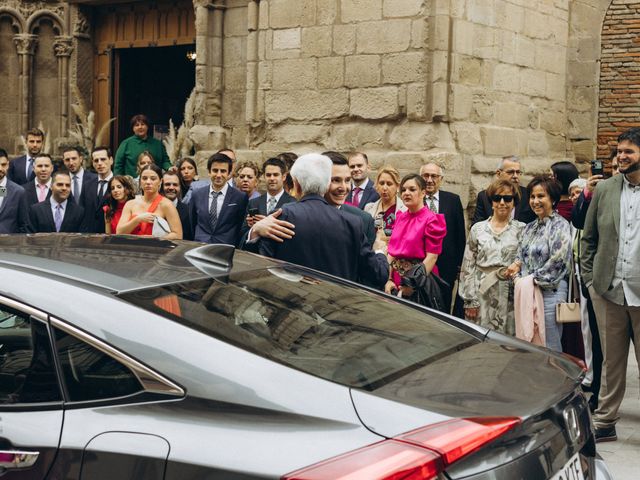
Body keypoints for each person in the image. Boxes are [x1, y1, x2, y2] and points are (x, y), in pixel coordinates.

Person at [246, 153, 388, 288]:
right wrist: (380, 251)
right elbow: (260, 264)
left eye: (347, 180)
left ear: (296, 184)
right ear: (325, 182)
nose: (343, 188)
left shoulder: (283, 215)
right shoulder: (280, 217)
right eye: (335, 180)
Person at [581, 127, 640, 442]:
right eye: (620, 150)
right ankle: (604, 421)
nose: (621, 156)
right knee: (611, 361)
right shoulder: (605, 190)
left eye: (629, 151)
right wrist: (592, 282)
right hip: (608, 291)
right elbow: (588, 239)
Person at [507, 175, 573, 352]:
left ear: (553, 198)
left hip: (550, 294)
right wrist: (516, 273)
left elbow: (558, 262)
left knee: (549, 346)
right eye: (532, 196)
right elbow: (520, 256)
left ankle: (554, 379)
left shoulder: (561, 226)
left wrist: (527, 281)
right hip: (528, 293)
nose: (535, 201)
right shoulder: (529, 227)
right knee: (530, 346)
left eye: (541, 196)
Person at [459, 179, 525, 334]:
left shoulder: (521, 229)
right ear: (491, 202)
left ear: (514, 202)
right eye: (497, 198)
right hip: (482, 293)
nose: (502, 202)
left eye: (508, 198)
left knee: (509, 340)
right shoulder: (478, 229)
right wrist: (470, 300)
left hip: (510, 294)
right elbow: (468, 266)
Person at [384, 174, 447, 299]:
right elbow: (391, 253)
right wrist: (388, 278)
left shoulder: (432, 220)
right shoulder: (400, 217)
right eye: (403, 190)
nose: (406, 193)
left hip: (420, 280)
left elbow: (432, 257)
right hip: (396, 280)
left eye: (412, 189)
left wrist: (413, 285)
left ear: (423, 193)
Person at [420, 162, 466, 315]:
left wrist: (460, 265)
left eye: (434, 176)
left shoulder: (453, 200)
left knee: (444, 304)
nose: (430, 179)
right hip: (421, 262)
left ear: (441, 179)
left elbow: (460, 234)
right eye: (426, 175)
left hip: (447, 264)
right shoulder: (415, 199)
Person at [189, 153, 248, 245]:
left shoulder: (240, 197)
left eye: (223, 171)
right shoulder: (197, 194)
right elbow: (192, 223)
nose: (218, 175)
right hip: (200, 245)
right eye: (215, 170)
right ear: (209, 171)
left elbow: (240, 226)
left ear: (229, 173)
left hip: (225, 247)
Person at [116, 164, 182, 239]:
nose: (148, 182)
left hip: (156, 248)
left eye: (153, 179)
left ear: (160, 181)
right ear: (140, 182)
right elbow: (119, 232)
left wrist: (154, 239)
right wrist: (137, 219)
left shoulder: (166, 204)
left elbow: (178, 235)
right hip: (131, 248)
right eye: (144, 178)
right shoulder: (130, 204)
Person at [240, 157, 294, 242]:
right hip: (255, 252)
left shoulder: (293, 203)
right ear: (264, 177)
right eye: (268, 175)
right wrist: (254, 228)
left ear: (283, 177)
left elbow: (292, 233)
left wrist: (265, 223)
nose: (272, 178)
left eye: (275, 175)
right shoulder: (253, 203)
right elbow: (243, 234)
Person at [473, 155, 536, 224]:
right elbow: (477, 225)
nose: (515, 176)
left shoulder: (529, 194)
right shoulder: (484, 196)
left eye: (518, 172)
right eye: (510, 172)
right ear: (498, 173)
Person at [363, 166, 406, 239]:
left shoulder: (405, 209)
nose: (384, 188)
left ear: (398, 187)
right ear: (377, 186)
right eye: (382, 183)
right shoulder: (368, 208)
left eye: (389, 184)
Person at [80, 146, 114, 233]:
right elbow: (82, 211)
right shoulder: (87, 185)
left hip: (110, 235)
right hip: (88, 236)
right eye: (96, 160)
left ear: (111, 160)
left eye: (103, 159)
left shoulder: (119, 184)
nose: (99, 163)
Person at [0, 149, 30, 234]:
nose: (0, 168)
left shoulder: (18, 192)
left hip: (9, 244)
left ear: (8, 165)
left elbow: (23, 224)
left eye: (3, 165)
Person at [162, 172, 193, 240]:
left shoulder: (188, 211)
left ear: (180, 187)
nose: (171, 187)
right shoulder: (155, 207)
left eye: (175, 185)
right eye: (167, 184)